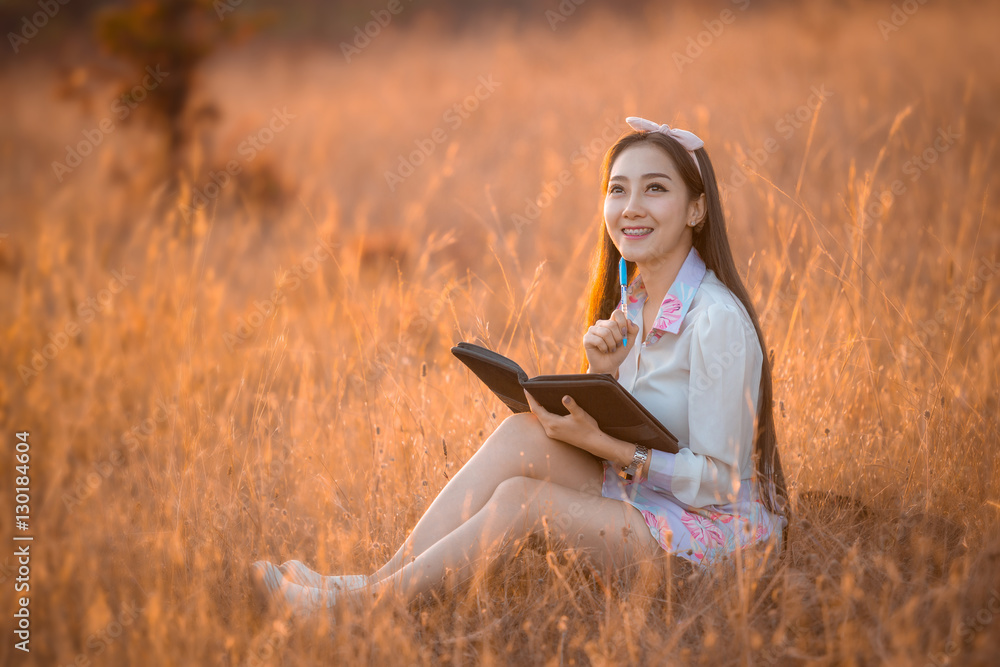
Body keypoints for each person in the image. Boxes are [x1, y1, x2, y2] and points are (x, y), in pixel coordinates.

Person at [250, 115, 791, 618]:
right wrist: (602, 374)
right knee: (521, 432)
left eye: (655, 188)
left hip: (710, 541)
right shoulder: (637, 300)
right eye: (617, 189)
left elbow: (720, 484)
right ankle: (372, 581)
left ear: (696, 209)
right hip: (650, 500)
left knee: (522, 502)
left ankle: (357, 614)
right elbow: (644, 419)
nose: (631, 206)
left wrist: (606, 447)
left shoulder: (716, 320)